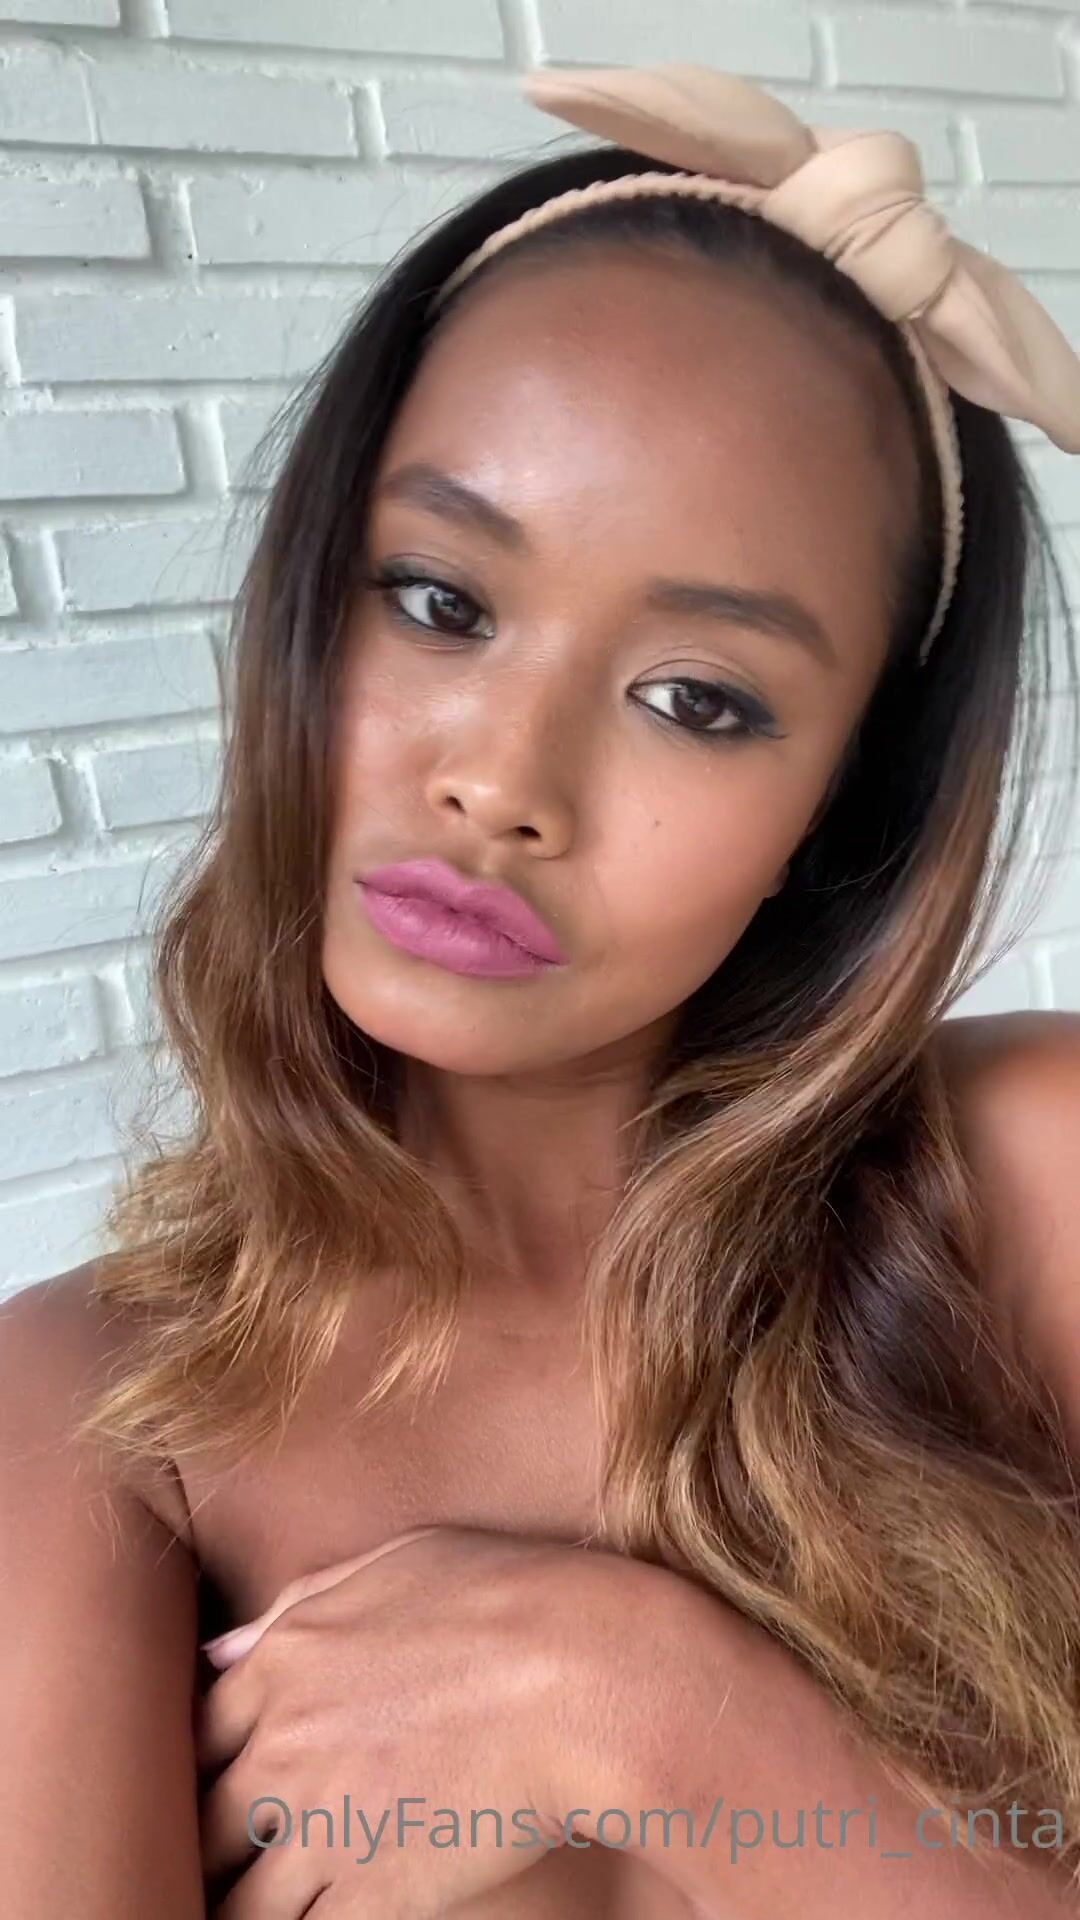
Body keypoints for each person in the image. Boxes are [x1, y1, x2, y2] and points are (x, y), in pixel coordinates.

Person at [3, 60, 1080, 1920]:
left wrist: (649, 1715)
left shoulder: (1035, 1186)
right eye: (439, 601)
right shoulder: (97, 1412)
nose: (504, 781)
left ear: (841, 804)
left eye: (697, 699)